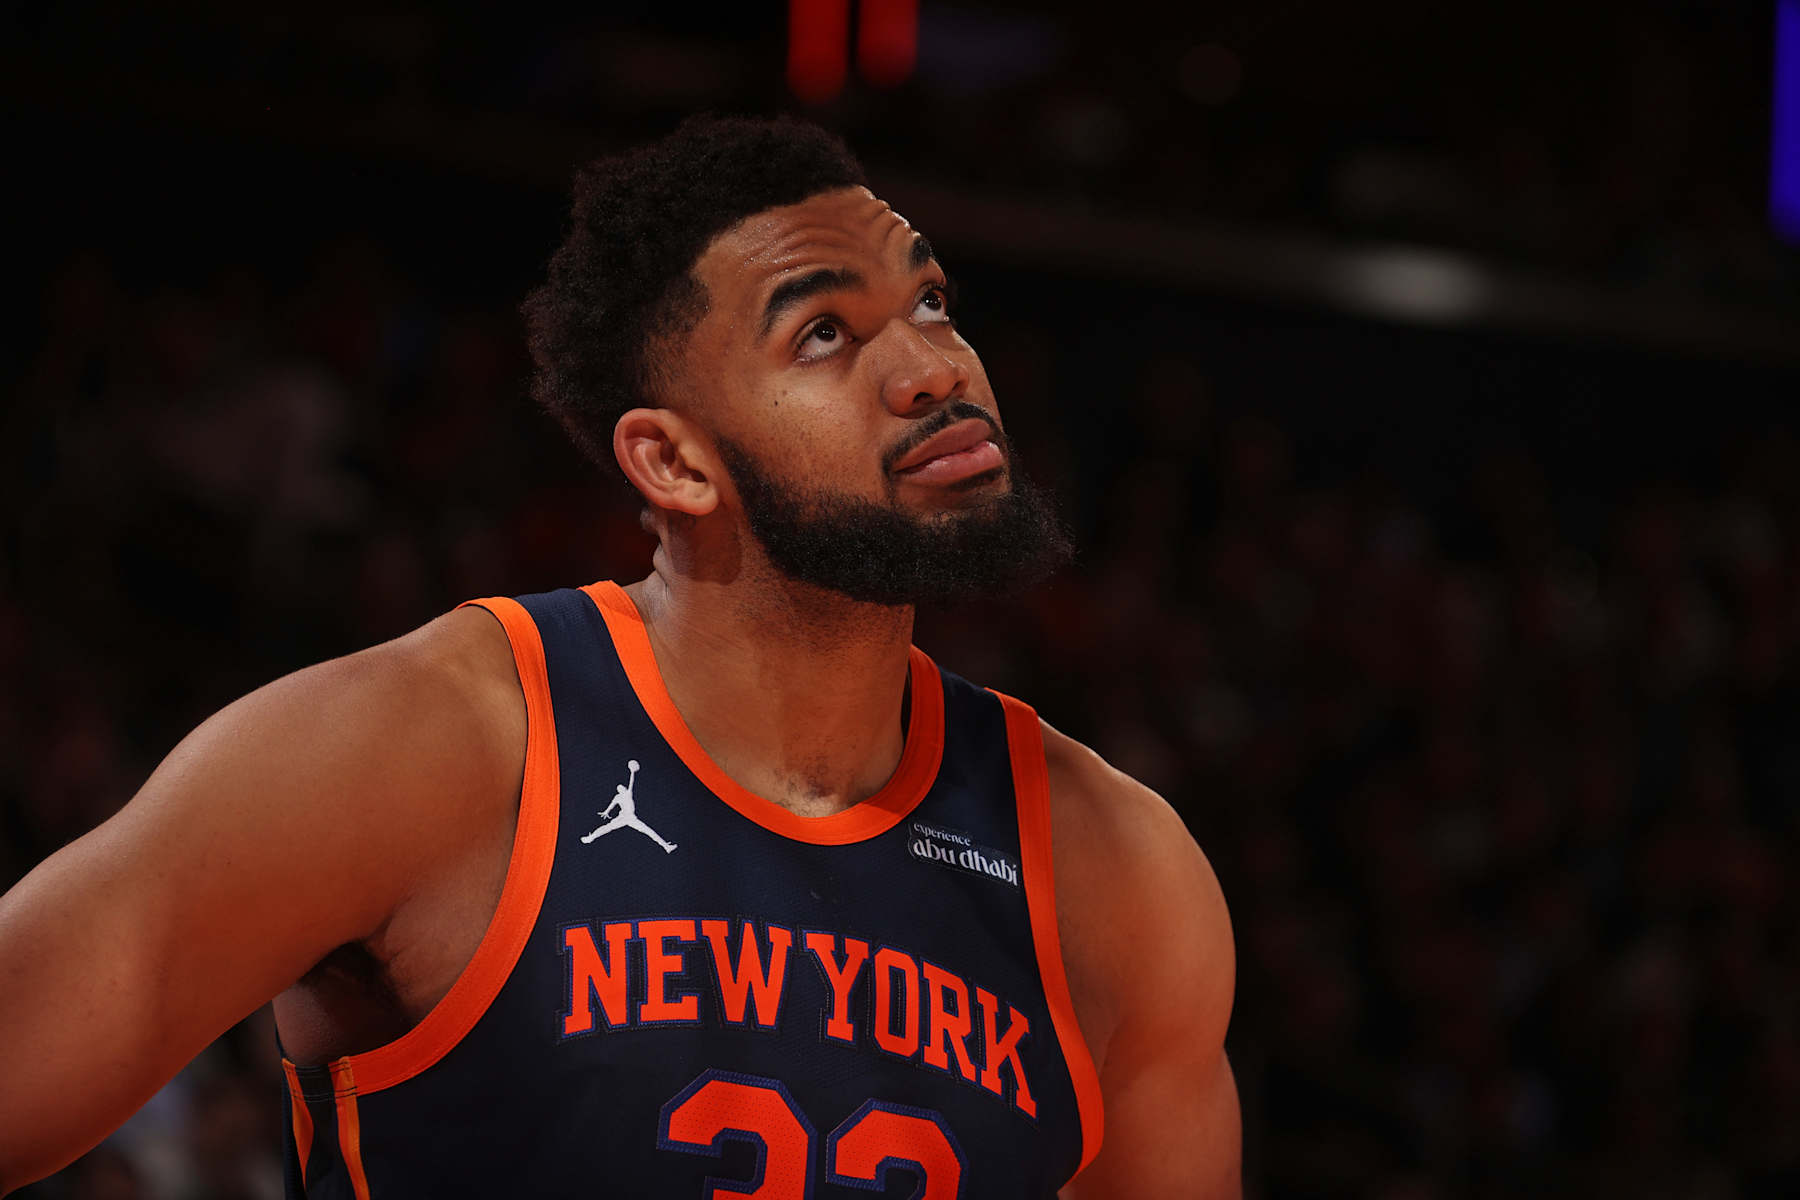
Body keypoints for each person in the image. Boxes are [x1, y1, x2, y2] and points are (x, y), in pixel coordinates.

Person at [0, 116, 1238, 1198]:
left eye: (929, 302)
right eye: (823, 334)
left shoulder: (1116, 869)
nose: (934, 369)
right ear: (676, 464)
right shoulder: (421, 751)